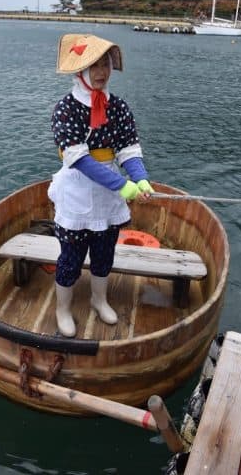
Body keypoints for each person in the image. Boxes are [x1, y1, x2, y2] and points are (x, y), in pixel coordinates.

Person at [48, 33, 154, 337]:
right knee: (70, 257)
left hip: (108, 194)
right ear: (79, 70)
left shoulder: (118, 107)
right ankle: (62, 309)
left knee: (104, 253)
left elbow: (128, 150)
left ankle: (99, 300)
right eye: (93, 65)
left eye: (105, 64)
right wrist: (122, 186)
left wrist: (140, 178)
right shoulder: (65, 109)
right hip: (77, 191)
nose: (101, 72)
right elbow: (79, 159)